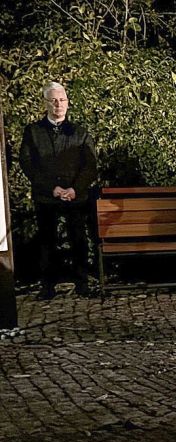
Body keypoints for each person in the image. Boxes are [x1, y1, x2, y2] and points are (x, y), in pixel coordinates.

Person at [19, 81, 98, 299]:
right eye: (53, 100)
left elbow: (90, 166)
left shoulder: (80, 133)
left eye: (62, 100)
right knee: (47, 242)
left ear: (68, 103)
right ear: (45, 103)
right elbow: (27, 163)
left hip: (75, 196)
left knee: (78, 240)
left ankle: (82, 284)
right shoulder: (33, 132)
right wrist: (51, 188)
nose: (58, 104)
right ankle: (47, 287)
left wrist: (75, 189)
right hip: (46, 196)